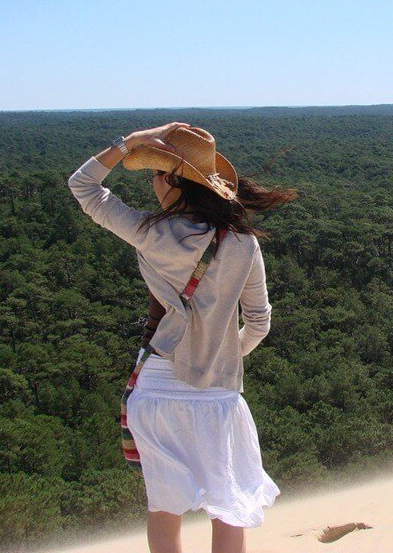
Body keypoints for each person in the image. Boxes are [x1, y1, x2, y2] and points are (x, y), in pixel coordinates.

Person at [67, 122, 298, 553]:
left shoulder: (151, 234)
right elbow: (259, 322)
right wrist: (222, 354)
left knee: (164, 506)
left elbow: (83, 186)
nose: (152, 183)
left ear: (175, 182)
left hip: (156, 387)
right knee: (228, 506)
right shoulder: (243, 243)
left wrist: (130, 142)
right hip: (218, 394)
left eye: (156, 174)